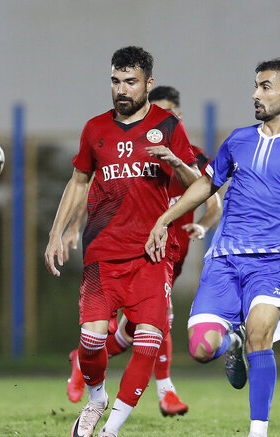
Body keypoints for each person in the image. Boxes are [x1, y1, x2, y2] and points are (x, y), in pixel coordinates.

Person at [145, 58, 280, 437]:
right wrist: (166, 218)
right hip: (224, 260)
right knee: (201, 349)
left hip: (272, 263)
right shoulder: (238, 139)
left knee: (260, 334)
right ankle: (230, 341)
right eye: (256, 86)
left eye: (266, 87)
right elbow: (206, 184)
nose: (256, 94)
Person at [44, 46, 201, 437]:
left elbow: (197, 184)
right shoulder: (95, 129)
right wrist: (56, 233)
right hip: (102, 254)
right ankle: (96, 399)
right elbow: (78, 183)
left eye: (130, 81)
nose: (121, 89)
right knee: (92, 343)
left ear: (148, 83)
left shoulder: (167, 126)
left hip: (151, 256)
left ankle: (111, 430)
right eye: (115, 81)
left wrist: (176, 163)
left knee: (147, 341)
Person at [63, 86, 222, 417]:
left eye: (166, 116)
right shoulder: (134, 154)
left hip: (171, 254)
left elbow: (214, 203)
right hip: (138, 254)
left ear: (176, 118)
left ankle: (83, 360)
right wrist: (73, 226)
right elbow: (93, 186)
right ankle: (165, 392)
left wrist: (203, 227)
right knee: (153, 325)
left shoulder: (192, 159)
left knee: (131, 333)